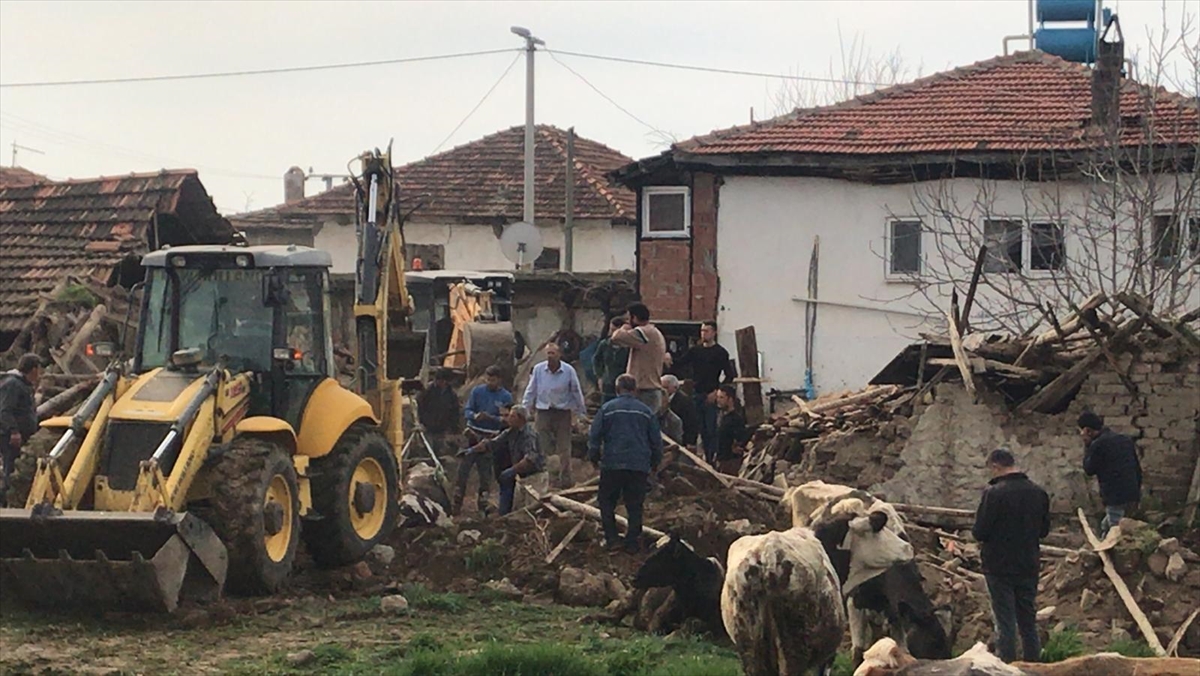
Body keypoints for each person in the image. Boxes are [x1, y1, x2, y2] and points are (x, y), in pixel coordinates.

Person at [972, 448, 1050, 664]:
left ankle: (1005, 667)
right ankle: (1034, 666)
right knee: (1028, 620)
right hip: (1028, 564)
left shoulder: (993, 493)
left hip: (998, 566)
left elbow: (979, 531)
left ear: (996, 467)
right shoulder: (1039, 493)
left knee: (1004, 622)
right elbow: (1044, 530)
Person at [588, 374, 663, 553]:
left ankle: (612, 539)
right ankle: (632, 542)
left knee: (606, 502)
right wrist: (654, 462)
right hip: (638, 466)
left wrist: (594, 456)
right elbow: (656, 441)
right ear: (635, 390)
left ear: (617, 389)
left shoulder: (607, 409)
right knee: (635, 505)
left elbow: (594, 436)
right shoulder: (645, 411)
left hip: (612, 464)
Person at [667, 321, 736, 463]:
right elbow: (680, 362)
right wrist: (668, 358)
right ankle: (694, 460)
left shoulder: (720, 352)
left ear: (714, 333)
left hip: (710, 394)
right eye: (702, 330)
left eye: (707, 331)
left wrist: (717, 392)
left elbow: (730, 374)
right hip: (696, 394)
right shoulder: (695, 351)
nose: (703, 333)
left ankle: (711, 459)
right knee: (694, 427)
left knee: (710, 430)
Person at [522, 342, 587, 488]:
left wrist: (581, 412)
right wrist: (525, 408)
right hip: (543, 411)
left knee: (564, 447)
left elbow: (576, 391)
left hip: (562, 413)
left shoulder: (568, 370)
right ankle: (550, 479)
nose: (550, 356)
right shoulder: (538, 370)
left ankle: (566, 480)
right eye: (548, 353)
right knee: (544, 446)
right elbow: (531, 390)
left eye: (553, 353)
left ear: (559, 355)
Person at [453, 365, 513, 515]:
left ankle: (482, 506)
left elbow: (507, 419)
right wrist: (475, 416)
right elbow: (467, 410)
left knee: (485, 474)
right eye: (488, 379)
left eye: (492, 380)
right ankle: (456, 505)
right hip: (472, 433)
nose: (489, 382)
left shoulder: (506, 397)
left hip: (490, 436)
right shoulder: (477, 391)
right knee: (463, 470)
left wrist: (492, 418)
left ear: (499, 380)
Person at [464, 405, 543, 516]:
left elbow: (530, 459)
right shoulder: (511, 431)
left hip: (535, 477)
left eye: (512, 416)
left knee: (530, 510)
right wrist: (472, 450)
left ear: (521, 419)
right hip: (522, 476)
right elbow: (492, 443)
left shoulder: (528, 435)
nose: (508, 419)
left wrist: (511, 470)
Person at [1078, 412, 1143, 537]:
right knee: (1107, 525)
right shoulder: (1124, 440)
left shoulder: (1098, 445)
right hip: (1133, 492)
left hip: (1115, 496)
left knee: (1116, 532)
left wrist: (1087, 445)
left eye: (1082, 431)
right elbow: (1137, 468)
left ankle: (1113, 554)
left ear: (1088, 431)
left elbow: (1089, 469)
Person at [611, 303, 667, 414]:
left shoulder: (644, 332)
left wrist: (624, 328)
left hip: (645, 391)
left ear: (634, 318)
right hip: (649, 389)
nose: (627, 321)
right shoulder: (654, 332)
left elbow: (616, 337)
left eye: (628, 318)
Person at [0, 354, 40, 502]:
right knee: (11, 469)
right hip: (10, 437)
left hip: (23, 435)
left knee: (15, 466)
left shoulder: (23, 385)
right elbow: (5, 410)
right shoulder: (13, 384)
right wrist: (14, 431)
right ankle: (6, 501)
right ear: (34, 369)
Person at [417, 368, 460, 452]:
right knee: (427, 450)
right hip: (427, 427)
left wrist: (453, 428)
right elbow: (420, 407)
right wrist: (421, 422)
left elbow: (454, 412)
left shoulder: (451, 394)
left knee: (439, 450)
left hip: (442, 429)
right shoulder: (427, 391)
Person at [592, 317, 630, 404]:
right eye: (611, 330)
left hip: (623, 383)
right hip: (607, 382)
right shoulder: (604, 345)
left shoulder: (628, 347)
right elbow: (596, 359)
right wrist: (599, 376)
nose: (611, 333)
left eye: (614, 330)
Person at [714, 384, 749, 474]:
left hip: (730, 462)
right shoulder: (721, 416)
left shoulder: (736, 419)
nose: (718, 400)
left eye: (721, 397)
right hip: (721, 459)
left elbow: (741, 439)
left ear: (730, 399)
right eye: (717, 397)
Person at [661, 374, 700, 448]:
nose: (663, 390)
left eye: (666, 387)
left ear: (675, 388)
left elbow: (691, 422)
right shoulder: (658, 399)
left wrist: (690, 442)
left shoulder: (685, 401)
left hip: (681, 438)